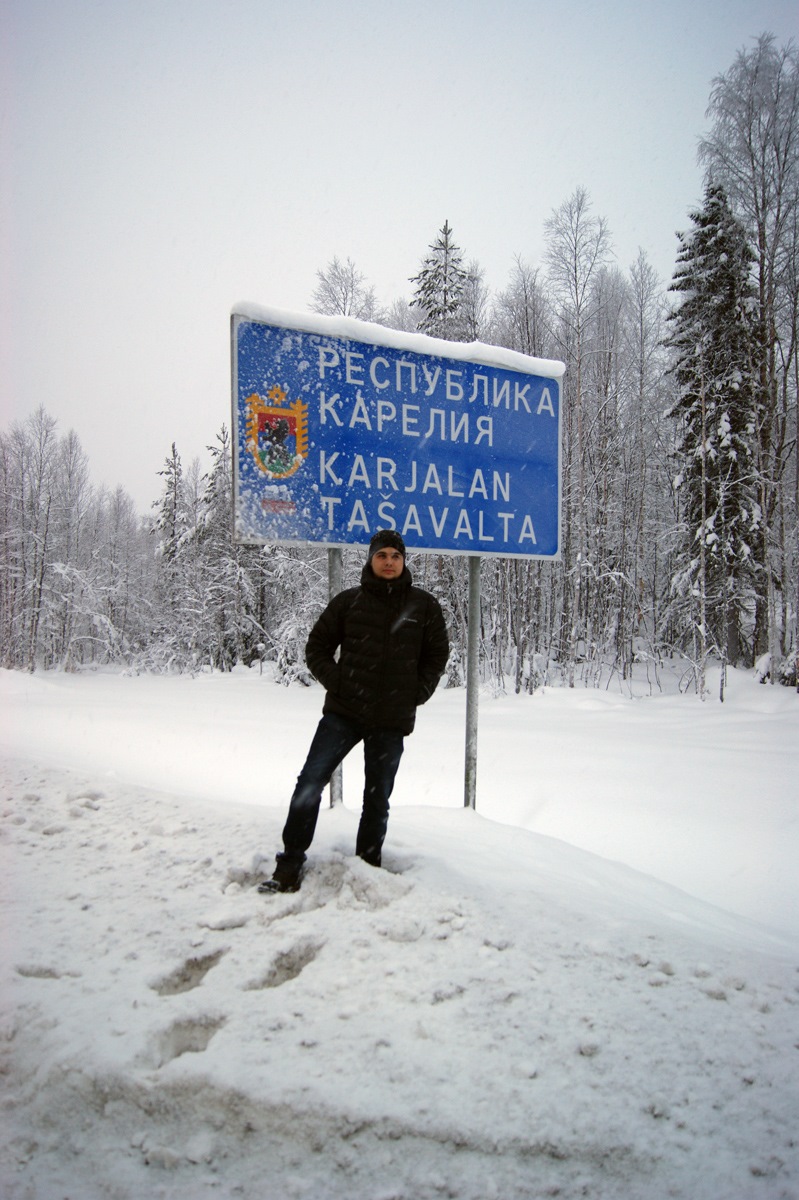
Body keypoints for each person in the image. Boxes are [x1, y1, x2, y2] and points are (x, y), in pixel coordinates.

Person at [260, 530, 450, 893]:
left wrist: (417, 693)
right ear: (370, 559)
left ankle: (367, 866)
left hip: (391, 718)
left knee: (377, 798)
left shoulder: (423, 606)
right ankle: (289, 864)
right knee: (310, 783)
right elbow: (316, 647)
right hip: (343, 713)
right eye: (382, 555)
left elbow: (436, 655)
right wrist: (340, 682)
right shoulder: (349, 602)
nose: (389, 562)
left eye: (396, 555)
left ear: (404, 560)